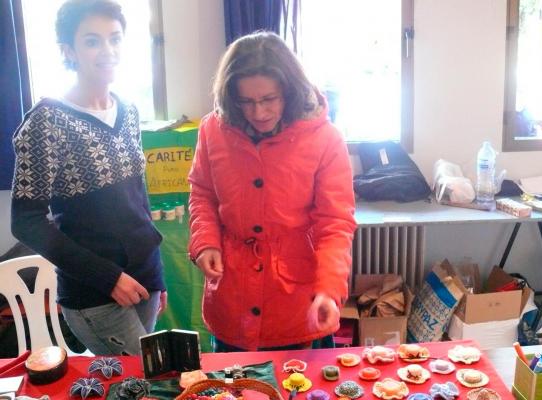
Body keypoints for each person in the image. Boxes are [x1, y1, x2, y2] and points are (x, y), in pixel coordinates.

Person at [11, 0, 167, 356]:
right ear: (69, 50)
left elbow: (136, 201)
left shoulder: (127, 110)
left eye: (115, 38)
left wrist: (156, 273)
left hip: (145, 279)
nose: (107, 50)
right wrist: (107, 278)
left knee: (146, 382)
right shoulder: (47, 121)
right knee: (137, 387)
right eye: (92, 41)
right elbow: (26, 222)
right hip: (96, 294)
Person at [188, 31, 357, 352]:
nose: (259, 112)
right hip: (232, 299)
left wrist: (329, 290)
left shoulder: (325, 138)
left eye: (269, 99)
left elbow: (335, 223)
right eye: (246, 101)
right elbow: (202, 192)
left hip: (297, 302)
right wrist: (205, 241)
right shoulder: (213, 129)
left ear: (290, 91)